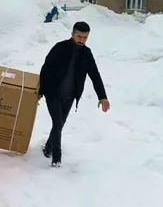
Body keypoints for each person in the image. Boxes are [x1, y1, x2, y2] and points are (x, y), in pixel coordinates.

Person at [38, 21, 110, 167]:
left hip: (70, 95)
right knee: (57, 123)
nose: (81, 40)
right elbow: (46, 70)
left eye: (85, 37)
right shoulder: (60, 48)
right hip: (53, 93)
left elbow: (95, 75)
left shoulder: (86, 54)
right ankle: (56, 159)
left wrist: (102, 96)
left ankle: (48, 148)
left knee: (60, 124)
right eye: (79, 36)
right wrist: (40, 91)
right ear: (72, 34)